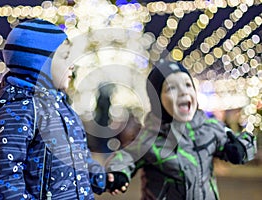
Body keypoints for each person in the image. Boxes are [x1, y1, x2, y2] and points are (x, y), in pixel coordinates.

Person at [0, 18, 122, 200]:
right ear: (39, 63)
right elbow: (7, 180)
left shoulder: (64, 108)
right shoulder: (19, 110)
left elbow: (78, 159)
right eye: (65, 56)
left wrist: (103, 179)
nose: (73, 63)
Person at [105, 60, 257, 199]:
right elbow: (127, 156)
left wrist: (241, 147)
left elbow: (236, 138)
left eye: (187, 85)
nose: (183, 92)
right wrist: (118, 173)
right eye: (171, 88)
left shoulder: (209, 129)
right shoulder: (150, 137)